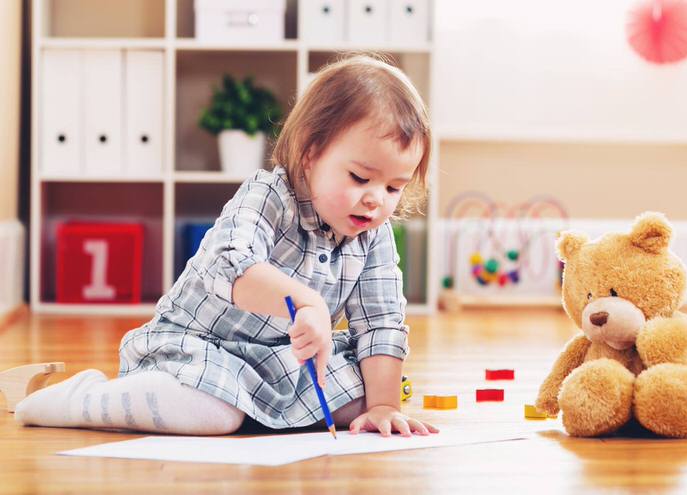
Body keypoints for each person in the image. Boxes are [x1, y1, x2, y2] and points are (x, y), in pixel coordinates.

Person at [15, 54, 438, 438]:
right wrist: (307, 302)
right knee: (214, 415)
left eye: (394, 187)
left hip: (278, 360)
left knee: (364, 396)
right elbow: (227, 265)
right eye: (361, 178)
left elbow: (381, 321)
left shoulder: (372, 232)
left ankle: (253, 408)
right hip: (198, 346)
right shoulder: (269, 194)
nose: (375, 199)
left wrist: (383, 406)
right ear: (311, 154)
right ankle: (82, 398)